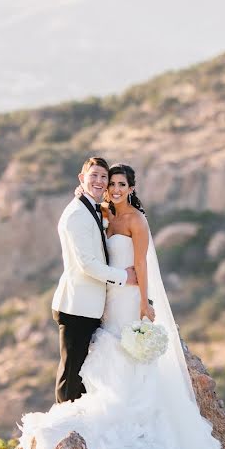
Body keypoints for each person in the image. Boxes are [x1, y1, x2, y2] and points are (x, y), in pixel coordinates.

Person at [21, 163, 225, 449]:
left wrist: (145, 302)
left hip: (127, 298)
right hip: (105, 300)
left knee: (122, 362)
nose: (112, 187)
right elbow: (87, 246)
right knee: (89, 364)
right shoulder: (101, 214)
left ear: (131, 187)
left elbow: (142, 266)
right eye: (108, 182)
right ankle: (85, 421)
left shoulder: (134, 220)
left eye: (118, 183)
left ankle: (133, 424)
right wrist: (85, 195)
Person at [51, 156, 139, 403]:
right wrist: (124, 276)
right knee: (71, 373)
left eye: (104, 177)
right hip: (77, 306)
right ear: (82, 178)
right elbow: (87, 264)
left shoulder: (89, 207)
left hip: (89, 306)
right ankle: (64, 425)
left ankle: (77, 421)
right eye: (94, 176)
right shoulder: (77, 214)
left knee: (82, 373)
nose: (100, 182)